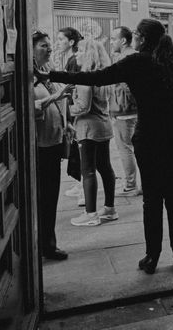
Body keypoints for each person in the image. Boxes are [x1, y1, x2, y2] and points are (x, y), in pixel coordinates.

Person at [37, 19, 173, 274]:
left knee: (152, 199)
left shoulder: (136, 62)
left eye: (136, 35)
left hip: (150, 140)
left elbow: (96, 77)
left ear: (141, 39)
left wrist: (52, 74)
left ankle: (152, 257)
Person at [32, 31, 74, 261]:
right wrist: (57, 96)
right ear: (30, 50)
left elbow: (58, 103)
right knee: (40, 200)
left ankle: (48, 244)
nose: (48, 49)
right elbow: (31, 106)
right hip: (38, 147)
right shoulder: (26, 77)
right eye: (42, 46)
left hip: (54, 143)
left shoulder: (49, 72)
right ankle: (37, 247)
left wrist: (67, 125)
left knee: (51, 199)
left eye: (49, 46)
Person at [68, 39, 117, 227]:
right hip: (104, 126)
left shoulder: (85, 77)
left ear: (88, 54)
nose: (76, 54)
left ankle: (90, 214)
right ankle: (110, 209)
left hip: (88, 129)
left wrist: (65, 108)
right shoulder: (103, 76)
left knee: (87, 170)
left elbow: (83, 107)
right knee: (105, 167)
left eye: (80, 51)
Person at [109, 26, 141, 197]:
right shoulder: (136, 56)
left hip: (124, 112)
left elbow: (125, 88)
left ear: (123, 40)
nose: (110, 41)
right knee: (135, 148)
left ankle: (130, 185)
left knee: (125, 148)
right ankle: (139, 184)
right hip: (134, 111)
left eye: (113, 38)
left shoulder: (124, 59)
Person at [56, 27, 84, 201]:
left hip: (75, 107)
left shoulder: (75, 60)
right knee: (76, 146)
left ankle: (83, 187)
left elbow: (73, 84)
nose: (57, 43)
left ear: (71, 42)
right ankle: (80, 183)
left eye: (61, 39)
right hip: (72, 106)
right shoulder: (71, 58)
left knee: (78, 146)